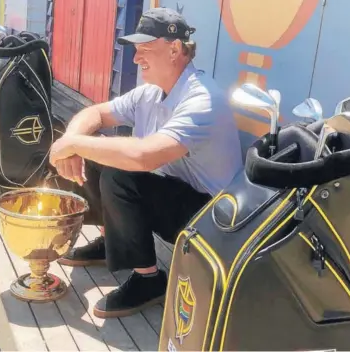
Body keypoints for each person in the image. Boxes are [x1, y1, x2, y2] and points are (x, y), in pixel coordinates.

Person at [49, 7, 243, 319]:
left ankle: (149, 279)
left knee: (118, 168)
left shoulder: (202, 99)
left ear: (175, 49)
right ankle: (111, 240)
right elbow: (95, 114)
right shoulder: (151, 92)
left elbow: (144, 156)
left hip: (211, 221)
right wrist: (73, 142)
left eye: (144, 49)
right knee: (98, 150)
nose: (137, 58)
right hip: (178, 197)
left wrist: (70, 144)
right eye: (135, 51)